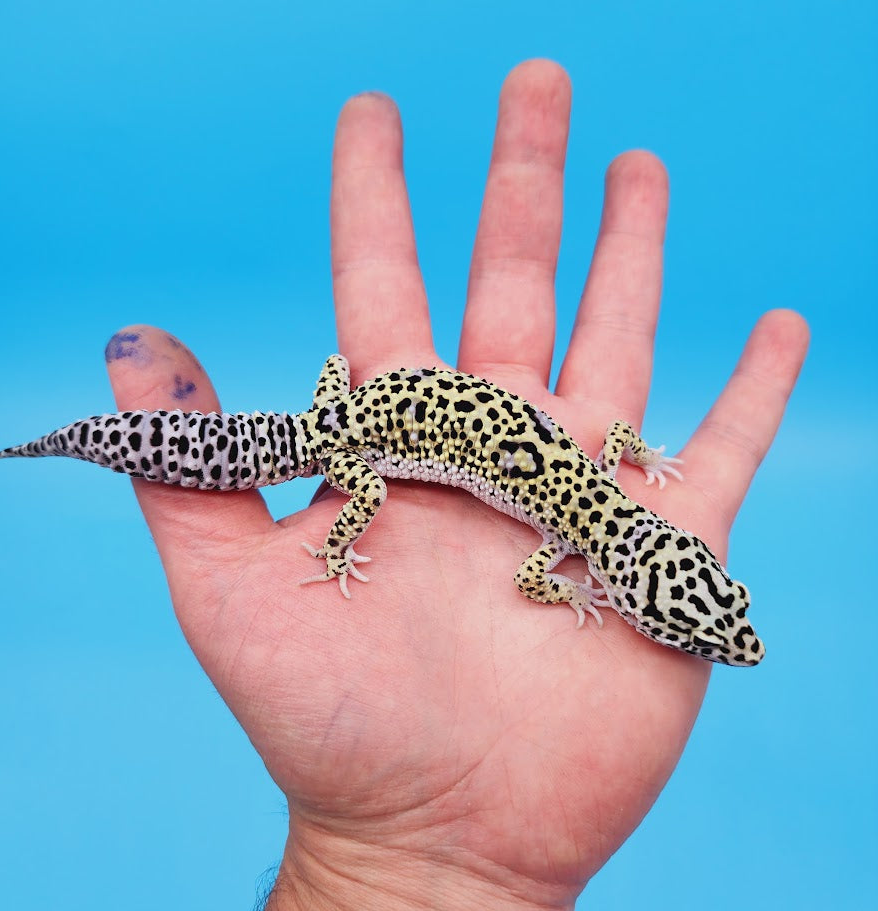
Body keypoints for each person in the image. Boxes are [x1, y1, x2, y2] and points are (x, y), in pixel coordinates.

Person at [105, 60, 808, 909]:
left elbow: (615, 442)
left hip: (352, 407)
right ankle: (329, 536)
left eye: (707, 622)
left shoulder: (602, 491)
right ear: (634, 590)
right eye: (701, 625)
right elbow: (528, 578)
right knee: (368, 497)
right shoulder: (570, 537)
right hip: (355, 443)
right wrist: (568, 590)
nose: (724, 639)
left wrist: (636, 463)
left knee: (336, 419)